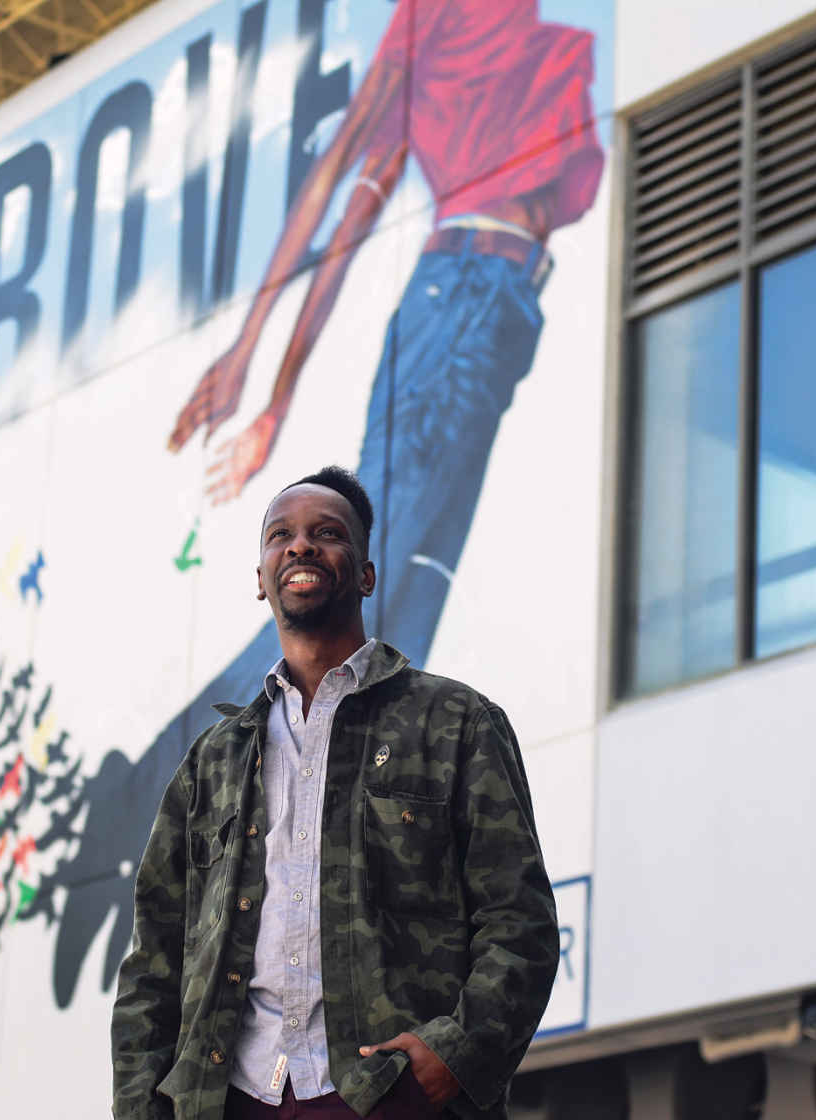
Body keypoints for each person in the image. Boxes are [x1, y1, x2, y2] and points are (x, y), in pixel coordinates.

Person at [53, 0, 602, 1014]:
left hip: (496, 315)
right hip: (462, 302)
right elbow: (342, 192)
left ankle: (347, 897)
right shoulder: (434, 17)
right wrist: (263, 369)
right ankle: (152, 791)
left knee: (405, 632)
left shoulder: (524, 26)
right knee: (356, 629)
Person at [111, 466, 559, 1119]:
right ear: (260, 579)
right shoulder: (211, 763)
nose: (300, 546)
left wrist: (451, 1061)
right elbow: (154, 963)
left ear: (366, 574)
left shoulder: (455, 722)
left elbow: (519, 920)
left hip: (389, 1094)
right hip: (233, 1097)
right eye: (280, 536)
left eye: (327, 533)